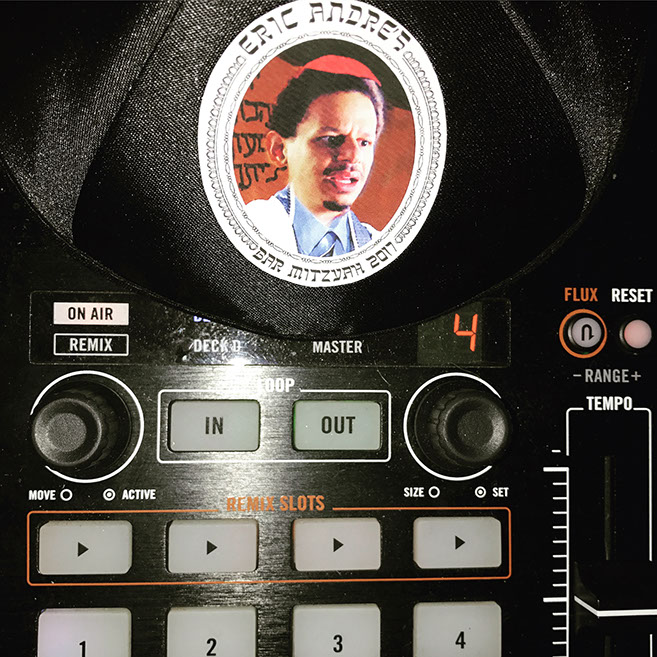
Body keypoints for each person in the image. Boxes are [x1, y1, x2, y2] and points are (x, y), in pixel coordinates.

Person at [245, 55, 386, 257]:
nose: (353, 156)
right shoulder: (250, 228)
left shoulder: (379, 245)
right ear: (279, 149)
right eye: (331, 139)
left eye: (364, 142)